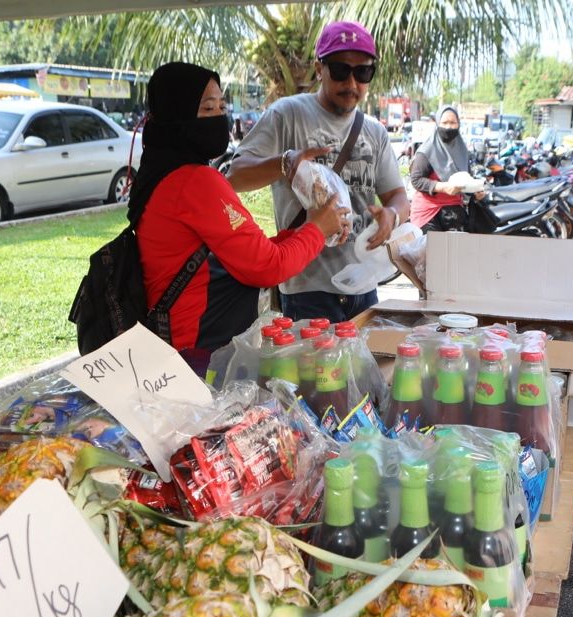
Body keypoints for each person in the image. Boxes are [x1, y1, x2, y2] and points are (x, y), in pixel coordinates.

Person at [130, 62, 348, 375]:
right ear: (176, 112)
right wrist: (317, 229)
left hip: (177, 346)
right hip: (198, 355)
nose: (219, 116)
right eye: (207, 108)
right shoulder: (194, 182)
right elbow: (267, 266)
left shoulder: (159, 174)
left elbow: (243, 254)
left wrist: (307, 228)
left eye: (222, 105)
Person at [228, 20, 409, 323]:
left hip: (363, 284)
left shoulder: (374, 132)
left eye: (363, 72)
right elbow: (235, 177)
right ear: (318, 68)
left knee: (364, 371)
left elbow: (398, 196)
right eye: (340, 70)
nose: (352, 84)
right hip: (305, 289)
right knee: (312, 372)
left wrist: (392, 215)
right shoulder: (286, 115)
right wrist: (285, 163)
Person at [408, 105, 486, 231]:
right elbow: (416, 180)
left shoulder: (462, 151)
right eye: (444, 122)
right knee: (433, 250)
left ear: (458, 125)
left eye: (453, 123)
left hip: (454, 215)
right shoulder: (426, 151)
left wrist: (475, 192)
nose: (449, 127)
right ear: (437, 123)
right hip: (428, 215)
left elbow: (466, 181)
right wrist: (443, 187)